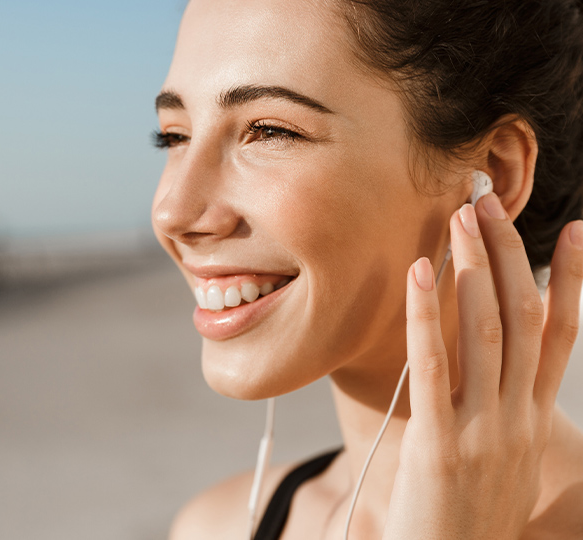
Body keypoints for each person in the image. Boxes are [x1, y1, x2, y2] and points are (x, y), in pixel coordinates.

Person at [152, 0, 583, 538]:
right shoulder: (212, 527)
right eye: (174, 136)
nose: (173, 213)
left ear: (492, 173)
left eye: (269, 131)